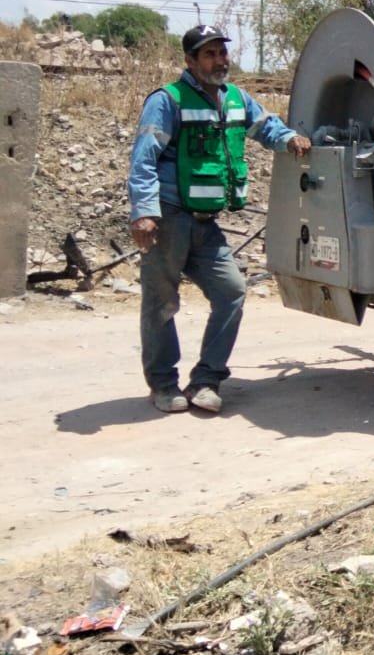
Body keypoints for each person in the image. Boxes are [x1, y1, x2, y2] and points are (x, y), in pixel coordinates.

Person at [126, 23, 311, 413]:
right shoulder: (168, 100)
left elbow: (266, 126)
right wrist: (143, 212)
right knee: (161, 304)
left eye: (222, 52)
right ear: (190, 61)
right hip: (169, 219)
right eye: (209, 54)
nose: (219, 60)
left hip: (206, 224)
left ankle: (206, 380)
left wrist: (290, 138)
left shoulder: (235, 99)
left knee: (230, 293)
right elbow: (143, 159)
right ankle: (162, 386)